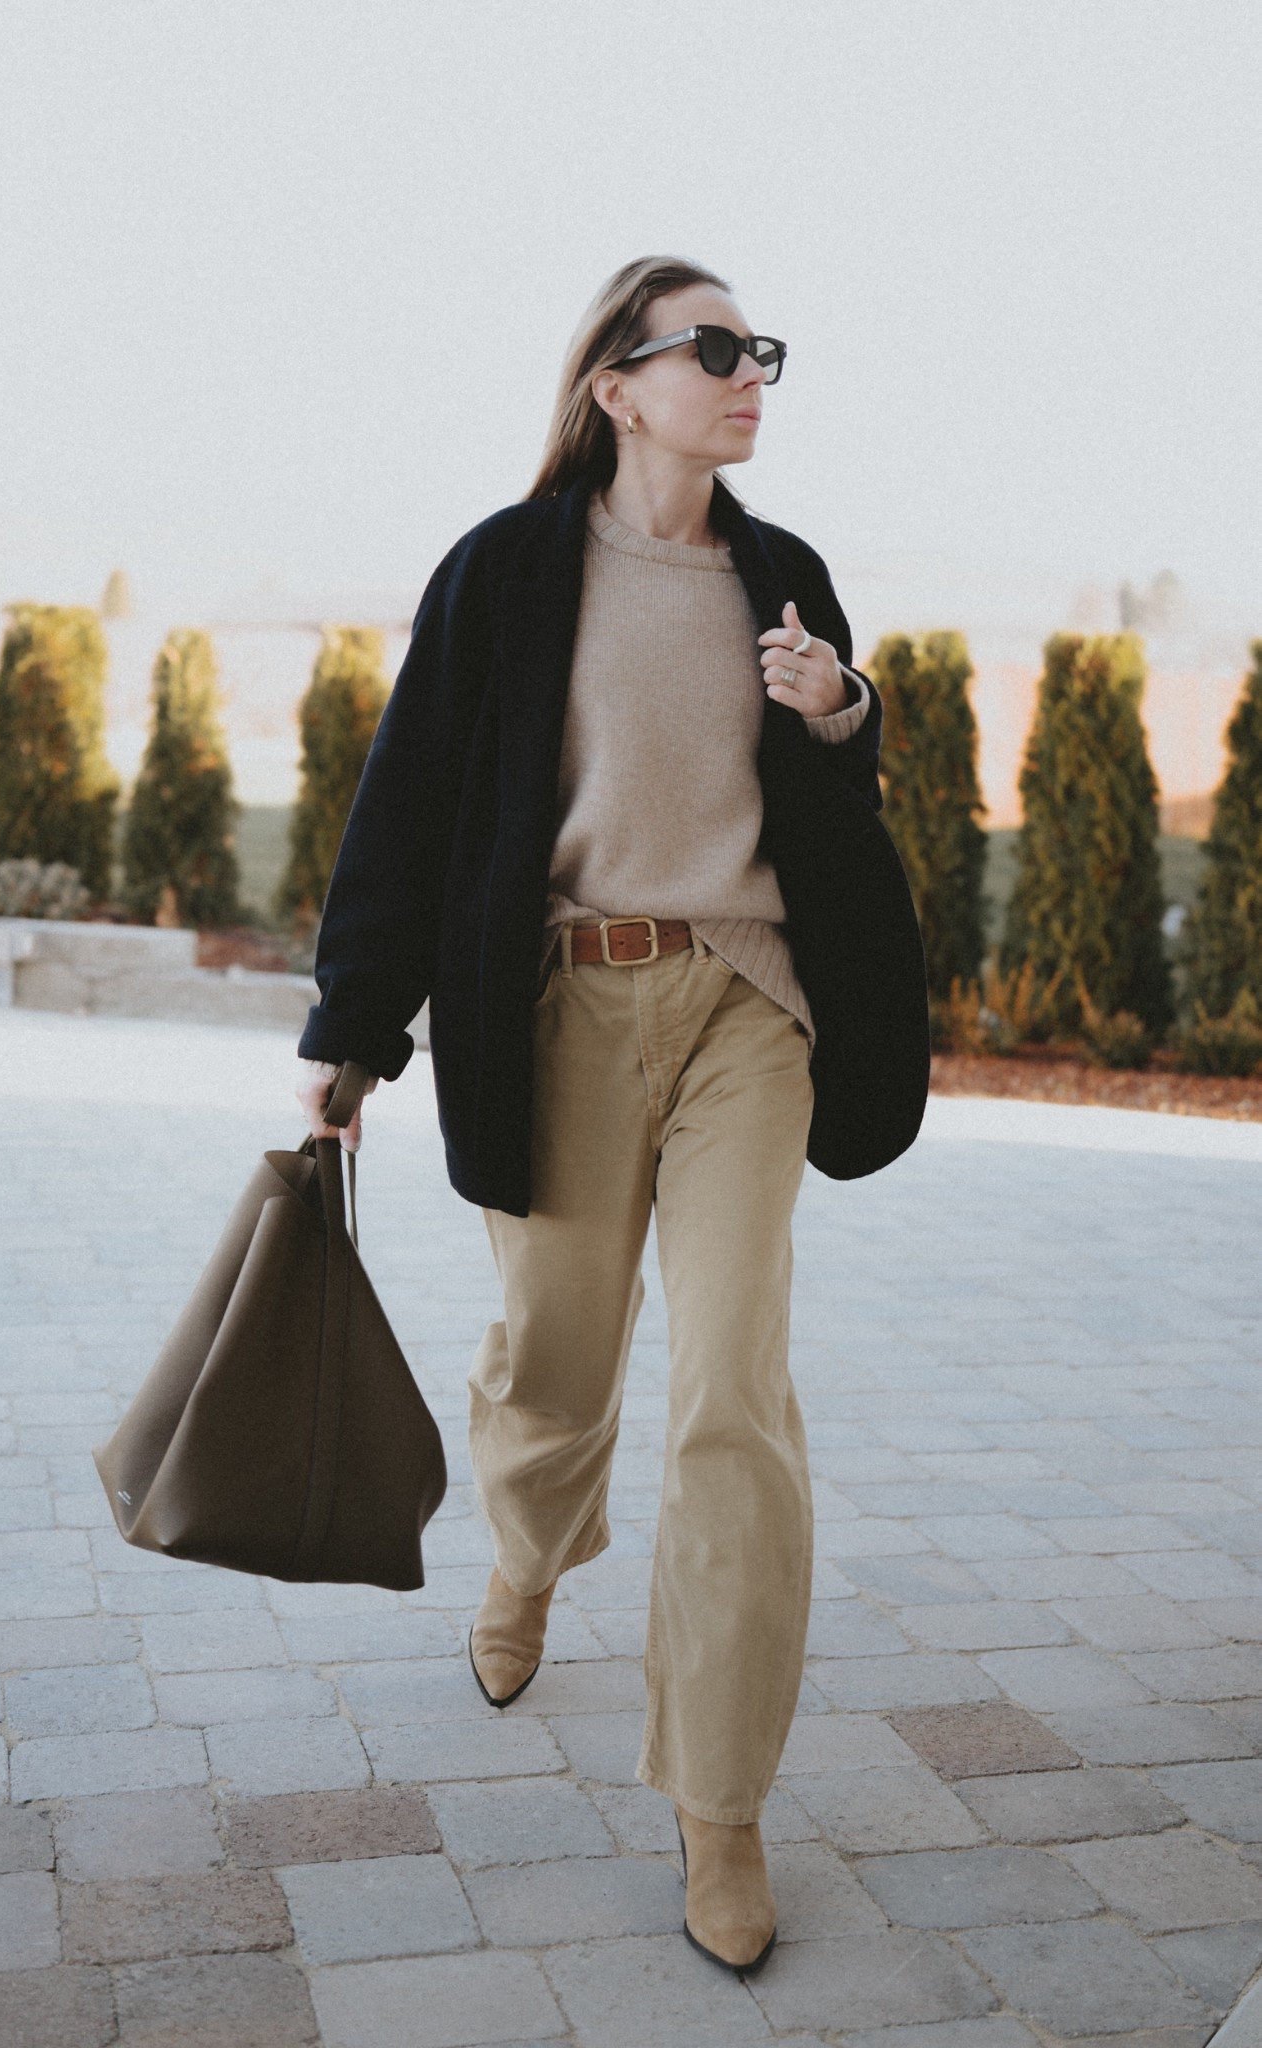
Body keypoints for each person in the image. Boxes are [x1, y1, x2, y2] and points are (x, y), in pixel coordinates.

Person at [295, 255, 928, 1976]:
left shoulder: (781, 576)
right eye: (714, 349)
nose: (748, 376)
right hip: (561, 1005)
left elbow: (830, 798)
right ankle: (525, 1557)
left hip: (746, 1002)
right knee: (553, 1365)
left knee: (735, 1393)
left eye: (760, 350)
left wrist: (844, 712)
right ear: (616, 386)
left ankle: (718, 1804)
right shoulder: (506, 571)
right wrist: (351, 1030)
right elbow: (412, 794)